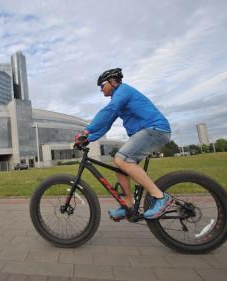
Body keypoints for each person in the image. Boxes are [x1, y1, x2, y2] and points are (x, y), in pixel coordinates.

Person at [74, 68, 173, 220]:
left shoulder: (123, 91)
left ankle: (160, 197)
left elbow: (109, 110)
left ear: (113, 82)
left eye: (102, 85)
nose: (101, 90)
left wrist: (86, 131)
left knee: (122, 159)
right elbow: (107, 122)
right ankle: (128, 205)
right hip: (147, 132)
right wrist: (89, 138)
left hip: (155, 130)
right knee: (120, 167)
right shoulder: (118, 99)